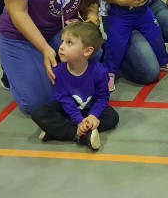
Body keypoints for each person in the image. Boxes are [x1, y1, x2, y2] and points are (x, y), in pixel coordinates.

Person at [30, 22, 119, 151]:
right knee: (39, 113)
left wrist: (93, 116)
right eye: (62, 41)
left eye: (69, 43)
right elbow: (64, 99)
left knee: (112, 117)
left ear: (87, 51)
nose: (61, 47)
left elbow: (102, 98)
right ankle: (81, 135)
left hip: (89, 108)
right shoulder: (57, 71)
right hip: (66, 109)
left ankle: (57, 130)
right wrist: (78, 121)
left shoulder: (99, 71)